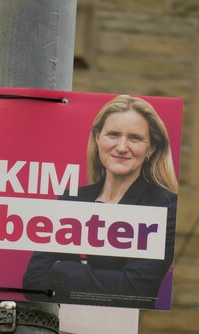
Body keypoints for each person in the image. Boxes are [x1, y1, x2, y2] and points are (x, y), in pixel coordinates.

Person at [22, 95, 178, 308]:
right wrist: (100, 282)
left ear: (151, 147)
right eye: (113, 134)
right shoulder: (71, 200)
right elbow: (33, 281)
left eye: (135, 138)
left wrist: (62, 270)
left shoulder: (164, 207)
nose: (122, 147)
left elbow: (136, 289)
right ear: (97, 138)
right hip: (61, 332)